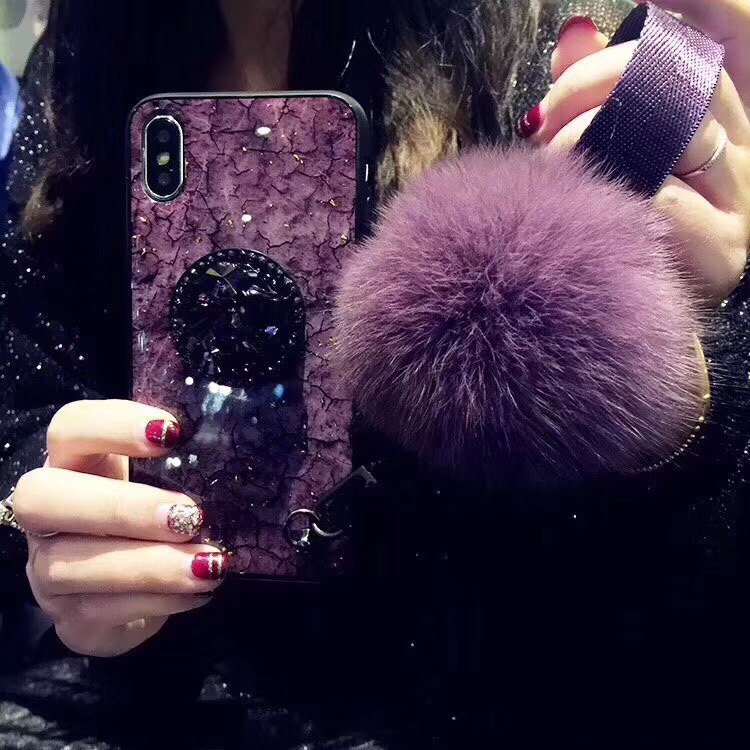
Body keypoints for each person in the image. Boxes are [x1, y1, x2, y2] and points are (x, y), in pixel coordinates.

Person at [1, 0, 749, 747]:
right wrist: (64, 530)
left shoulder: (570, 58)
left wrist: (679, 395)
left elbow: (687, 627)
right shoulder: (83, 54)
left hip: (484, 700)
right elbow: (31, 392)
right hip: (158, 691)